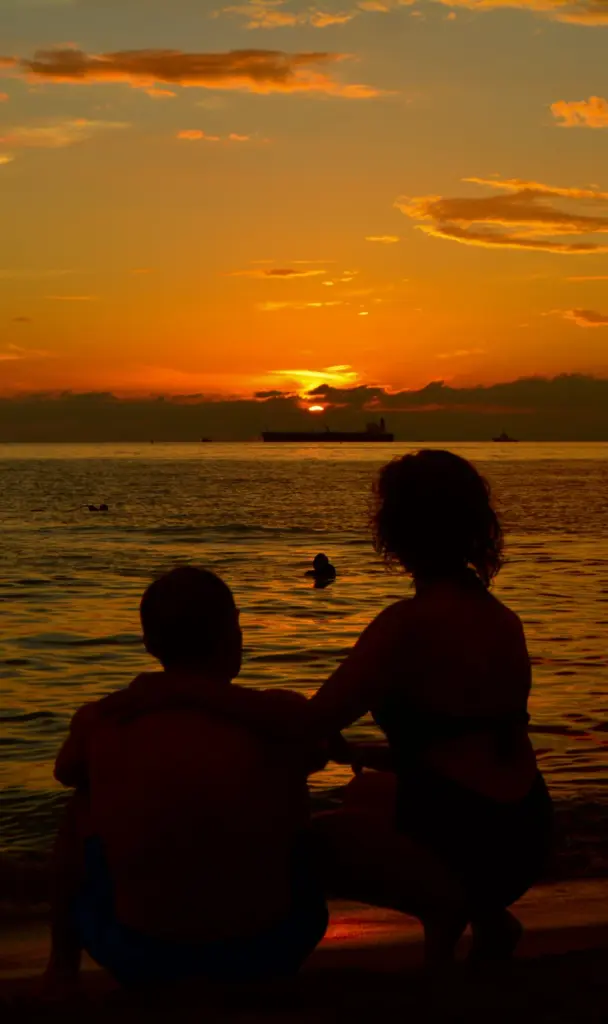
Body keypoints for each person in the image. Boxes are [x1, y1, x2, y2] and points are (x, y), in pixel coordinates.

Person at [127, 451, 554, 963]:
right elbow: (470, 749)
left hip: (474, 843)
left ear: (395, 531)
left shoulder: (406, 625)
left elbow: (306, 723)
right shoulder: (502, 619)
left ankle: (448, 913)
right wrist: (356, 750)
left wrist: (181, 690)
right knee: (368, 791)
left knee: (308, 844)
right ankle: (486, 922)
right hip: (526, 829)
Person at [41, 568, 329, 997]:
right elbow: (319, 742)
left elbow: (66, 770)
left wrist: (168, 696)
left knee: (82, 802)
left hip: (142, 957)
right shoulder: (278, 716)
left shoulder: (103, 720)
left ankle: (61, 967)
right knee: (293, 786)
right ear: (233, 632)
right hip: (270, 950)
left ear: (149, 645)